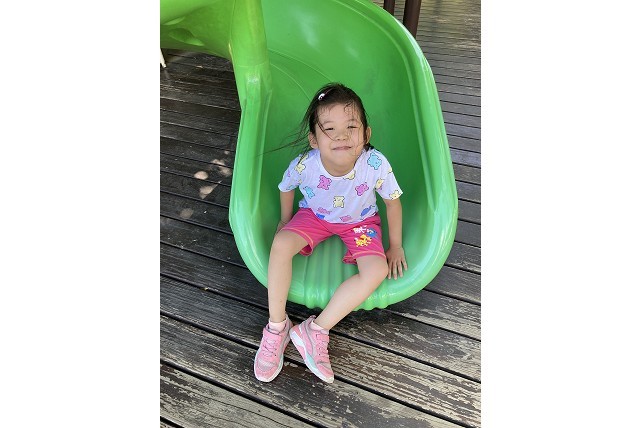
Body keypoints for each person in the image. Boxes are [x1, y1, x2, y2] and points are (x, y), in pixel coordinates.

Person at [253, 83, 408, 383]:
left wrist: (396, 245)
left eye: (351, 126)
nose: (341, 135)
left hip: (360, 222)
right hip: (316, 216)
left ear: (366, 134)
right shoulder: (305, 165)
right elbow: (285, 187)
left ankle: (315, 330)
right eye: (330, 129)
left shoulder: (375, 164)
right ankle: (277, 327)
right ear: (314, 139)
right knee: (281, 244)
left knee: (376, 270)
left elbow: (393, 202)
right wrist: (285, 220)